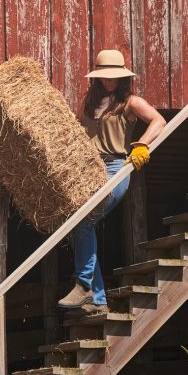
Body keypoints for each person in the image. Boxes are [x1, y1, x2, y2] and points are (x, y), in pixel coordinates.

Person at [57, 49, 166, 313]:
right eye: (104, 76)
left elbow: (158, 120)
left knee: (85, 220)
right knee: (83, 224)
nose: (108, 81)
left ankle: (83, 286)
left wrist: (142, 145)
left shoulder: (130, 102)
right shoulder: (89, 103)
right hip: (90, 169)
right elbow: (76, 128)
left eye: (113, 76)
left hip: (116, 167)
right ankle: (98, 300)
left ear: (122, 77)